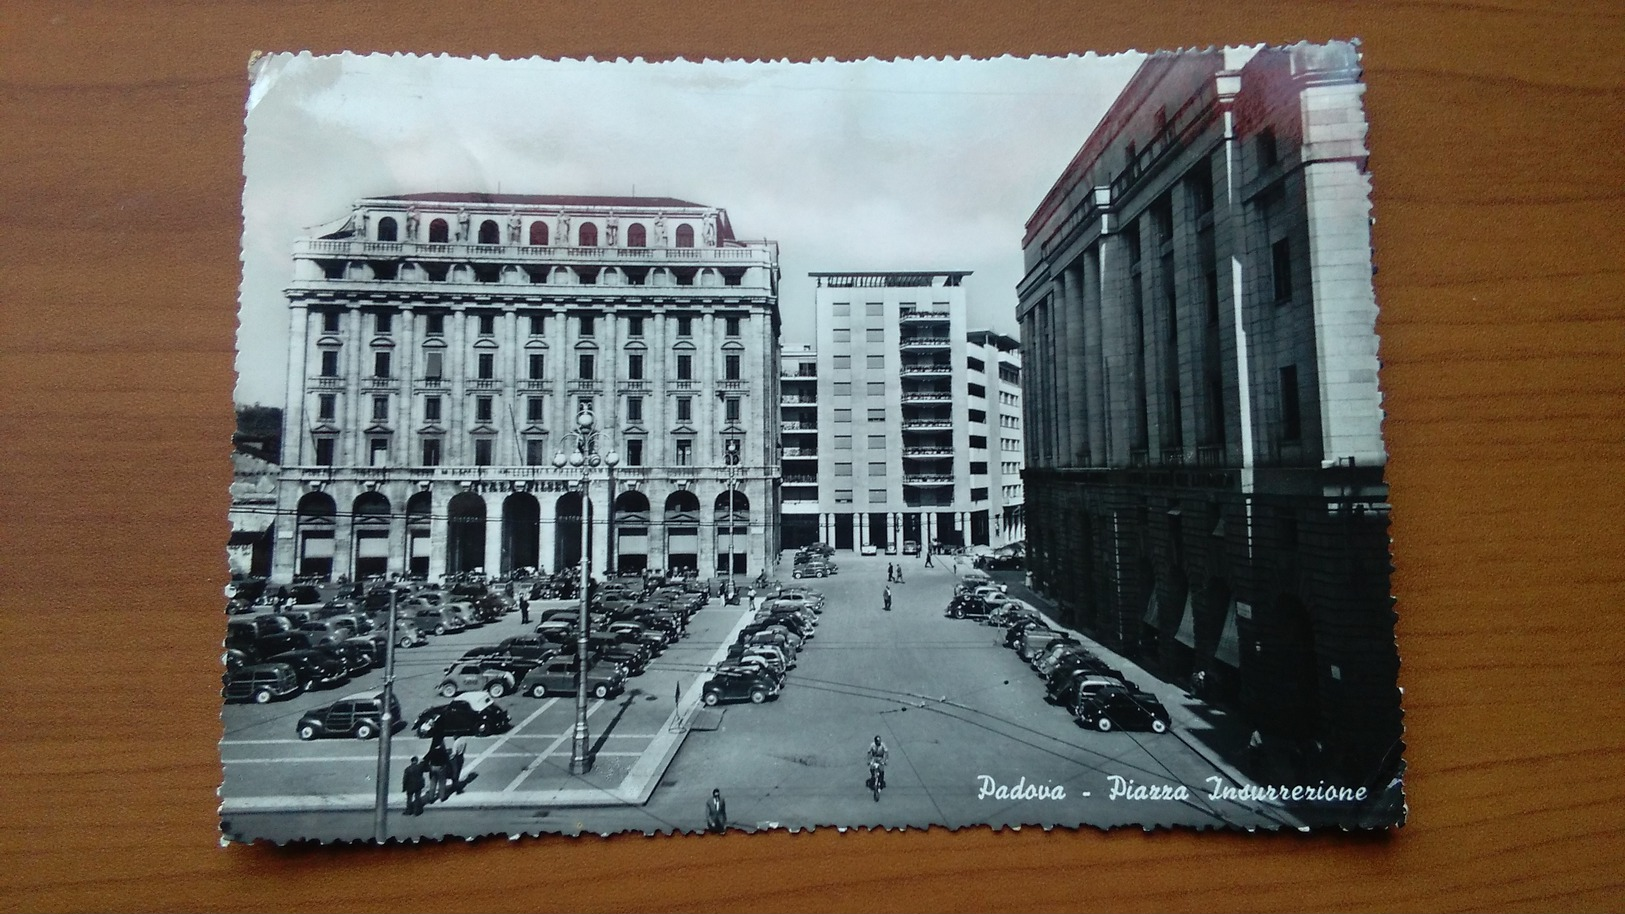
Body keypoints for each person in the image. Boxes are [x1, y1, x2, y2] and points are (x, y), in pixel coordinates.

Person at [424, 736, 450, 804]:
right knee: (442, 783)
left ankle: (431, 798)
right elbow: (447, 760)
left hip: (433, 767)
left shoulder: (432, 751)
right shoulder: (443, 751)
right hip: (441, 767)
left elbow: (425, 758)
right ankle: (442, 797)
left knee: (433, 783)